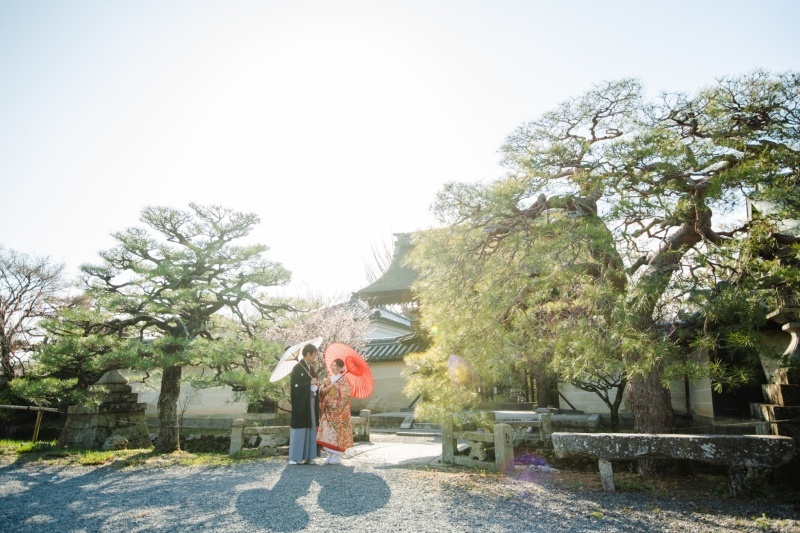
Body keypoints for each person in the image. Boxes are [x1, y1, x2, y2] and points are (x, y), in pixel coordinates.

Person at [316, 358, 354, 464]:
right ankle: (330, 453)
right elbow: (321, 392)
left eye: (335, 366)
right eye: (332, 365)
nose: (333, 367)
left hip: (339, 411)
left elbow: (347, 394)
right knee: (327, 430)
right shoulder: (329, 379)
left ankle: (337, 455)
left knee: (338, 432)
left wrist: (338, 388)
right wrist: (330, 386)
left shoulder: (344, 380)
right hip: (328, 409)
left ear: (341, 368)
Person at [288, 344, 320, 465]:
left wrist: (315, 384)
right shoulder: (297, 368)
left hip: (310, 402)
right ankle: (294, 457)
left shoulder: (311, 368)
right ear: (308, 354)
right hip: (301, 403)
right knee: (300, 428)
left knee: (311, 427)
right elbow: (295, 387)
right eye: (314, 354)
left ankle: (309, 456)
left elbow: (314, 383)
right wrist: (309, 383)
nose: (315, 356)